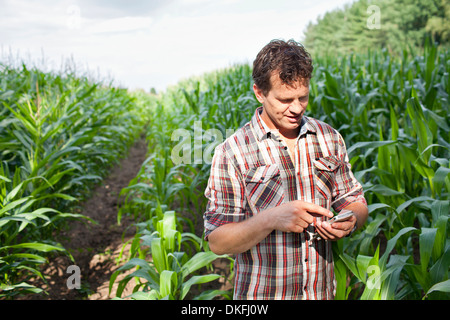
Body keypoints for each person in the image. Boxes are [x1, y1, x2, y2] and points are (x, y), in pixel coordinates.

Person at [203, 39, 368, 300]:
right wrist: (272, 219)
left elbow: (354, 200)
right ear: (260, 93)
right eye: (285, 99)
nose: (296, 108)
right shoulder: (232, 151)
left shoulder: (328, 138)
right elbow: (218, 241)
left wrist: (350, 221)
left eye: (303, 97)